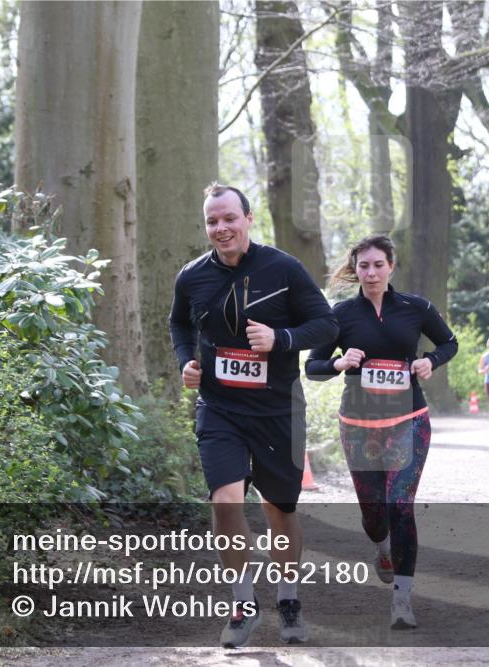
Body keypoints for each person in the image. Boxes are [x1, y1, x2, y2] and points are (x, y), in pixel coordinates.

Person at [169, 183, 338, 648]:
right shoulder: (192, 276)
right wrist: (186, 360)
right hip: (219, 407)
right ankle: (243, 604)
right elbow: (179, 322)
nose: (221, 228)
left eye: (229, 218)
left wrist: (281, 339)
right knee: (224, 500)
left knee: (279, 508)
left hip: (277, 408)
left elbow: (326, 324)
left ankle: (288, 598)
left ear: (248, 218)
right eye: (212, 221)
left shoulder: (284, 269)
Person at [305, 234, 457, 630]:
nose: (371, 272)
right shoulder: (340, 315)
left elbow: (449, 342)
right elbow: (312, 367)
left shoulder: (415, 308)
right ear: (355, 270)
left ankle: (402, 599)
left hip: (409, 420)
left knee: (400, 505)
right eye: (363, 266)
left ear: (391, 266)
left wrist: (430, 361)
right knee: (374, 513)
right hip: (359, 426)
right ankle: (382, 546)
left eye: (378, 265)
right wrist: (338, 364)